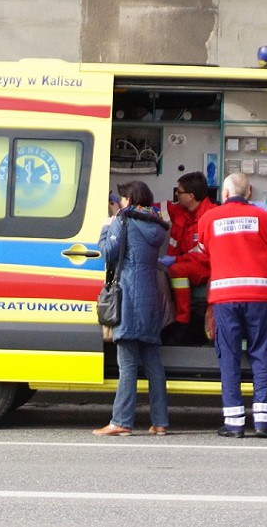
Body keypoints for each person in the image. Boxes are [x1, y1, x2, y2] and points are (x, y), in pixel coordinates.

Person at [197, 172, 267, 438]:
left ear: (224, 194)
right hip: (258, 297)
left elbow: (202, 252)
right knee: (260, 354)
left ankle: (234, 424)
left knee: (230, 357)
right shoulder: (264, 218)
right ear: (249, 193)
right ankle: (262, 423)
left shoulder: (209, 218)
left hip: (225, 299)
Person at [94, 181, 171, 436]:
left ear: (128, 199)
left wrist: (107, 226)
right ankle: (160, 422)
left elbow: (107, 253)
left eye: (123, 198)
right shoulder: (157, 225)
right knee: (153, 364)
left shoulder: (123, 221)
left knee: (127, 365)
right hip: (151, 300)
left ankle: (121, 421)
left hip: (128, 297)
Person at [162, 172, 218, 327]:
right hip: (186, 263)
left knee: (177, 270)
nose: (176, 194)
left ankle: (182, 321)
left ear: (190, 196)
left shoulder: (212, 215)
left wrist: (176, 259)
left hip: (205, 266)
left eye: (179, 192)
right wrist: (132, 204)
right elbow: (156, 208)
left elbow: (205, 254)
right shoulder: (180, 210)